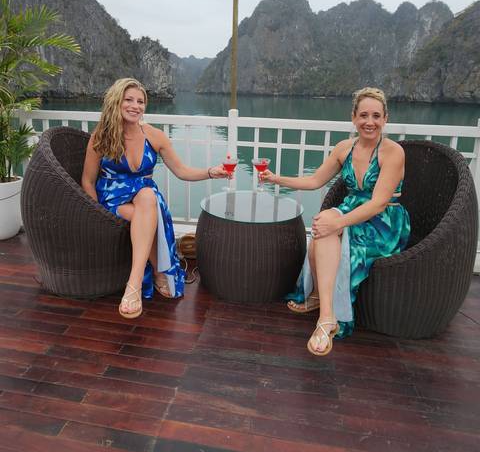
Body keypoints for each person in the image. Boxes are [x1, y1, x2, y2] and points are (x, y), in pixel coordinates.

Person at [261, 87, 410, 356]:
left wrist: (338, 223)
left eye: (376, 116)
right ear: (353, 117)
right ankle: (326, 312)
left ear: (385, 119)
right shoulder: (344, 148)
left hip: (383, 222)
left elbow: (377, 203)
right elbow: (314, 180)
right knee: (325, 223)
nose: (369, 122)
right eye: (363, 115)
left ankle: (323, 309)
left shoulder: (393, 152)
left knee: (327, 225)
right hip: (352, 210)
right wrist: (276, 179)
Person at [81, 78, 228, 319]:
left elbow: (182, 171)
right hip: (113, 200)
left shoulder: (154, 135)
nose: (135, 106)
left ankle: (134, 283)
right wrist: (95, 212)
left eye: (140, 101)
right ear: (116, 102)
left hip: (144, 199)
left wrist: (211, 172)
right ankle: (155, 274)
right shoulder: (101, 137)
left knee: (148, 196)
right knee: (149, 215)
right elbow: (87, 180)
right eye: (129, 100)